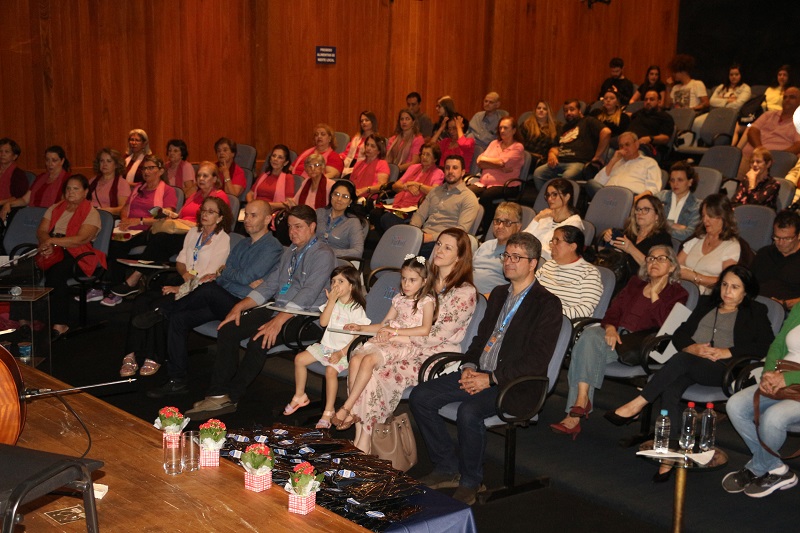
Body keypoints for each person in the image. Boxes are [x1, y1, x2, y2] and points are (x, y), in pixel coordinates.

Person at [411, 232, 560, 505]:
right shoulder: (500, 293)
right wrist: (469, 366)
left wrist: (490, 379)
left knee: (469, 412)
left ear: (533, 263)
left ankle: (471, 481)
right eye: (507, 256)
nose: (509, 262)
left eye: (517, 257)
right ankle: (447, 467)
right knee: (421, 396)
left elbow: (536, 360)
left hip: (512, 383)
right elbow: (480, 338)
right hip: (478, 371)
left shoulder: (547, 304)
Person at [607, 265, 774, 482]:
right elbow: (680, 335)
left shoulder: (756, 311)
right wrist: (692, 347)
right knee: (672, 385)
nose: (727, 291)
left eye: (735, 287)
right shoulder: (706, 304)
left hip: (725, 369)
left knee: (681, 361)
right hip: (693, 364)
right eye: (724, 285)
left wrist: (727, 352)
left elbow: (766, 345)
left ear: (746, 291)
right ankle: (669, 453)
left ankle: (639, 402)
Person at [184, 205, 337, 418]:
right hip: (278, 309)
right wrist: (241, 305)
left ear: (312, 227)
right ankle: (218, 395)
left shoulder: (323, 254)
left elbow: (309, 293)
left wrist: (279, 321)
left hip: (307, 318)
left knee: (260, 338)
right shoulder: (290, 252)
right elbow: (271, 284)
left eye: (299, 227)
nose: (293, 232)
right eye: (290, 227)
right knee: (229, 328)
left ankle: (233, 396)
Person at [347, 229, 477, 455]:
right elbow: (401, 315)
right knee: (359, 357)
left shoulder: (464, 292)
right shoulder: (425, 279)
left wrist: (394, 335)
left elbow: (434, 336)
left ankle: (365, 443)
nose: (439, 250)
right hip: (404, 345)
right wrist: (388, 333)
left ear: (460, 257)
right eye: (438, 244)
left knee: (376, 371)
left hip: (433, 355)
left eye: (448, 247)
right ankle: (361, 436)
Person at [135, 200, 282, 388]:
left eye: (254, 215)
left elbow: (242, 275)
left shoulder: (272, 246)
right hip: (223, 297)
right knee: (179, 319)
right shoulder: (243, 243)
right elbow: (227, 273)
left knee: (208, 289)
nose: (247, 220)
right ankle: (177, 378)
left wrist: (225, 272)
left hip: (242, 305)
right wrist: (226, 273)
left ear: (268, 219)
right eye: (247, 215)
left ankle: (162, 310)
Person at [551, 245, 688, 439]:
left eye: (661, 259)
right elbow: (613, 311)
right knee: (588, 337)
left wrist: (656, 293)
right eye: (650, 258)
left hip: (642, 344)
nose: (654, 262)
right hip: (615, 336)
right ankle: (581, 402)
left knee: (584, 348)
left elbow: (666, 325)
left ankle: (575, 413)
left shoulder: (678, 294)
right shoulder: (635, 283)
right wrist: (610, 328)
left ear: (673, 266)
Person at [123, 196, 232, 380]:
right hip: (184, 279)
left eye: (211, 212)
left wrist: (180, 287)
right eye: (203, 210)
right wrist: (183, 276)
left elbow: (209, 275)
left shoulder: (223, 240)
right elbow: (181, 261)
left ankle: (154, 356)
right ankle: (131, 353)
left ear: (220, 218)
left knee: (160, 304)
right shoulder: (193, 233)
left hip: (199, 289)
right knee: (142, 299)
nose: (205, 214)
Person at [333, 254, 437, 445]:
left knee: (368, 360)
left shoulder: (426, 301)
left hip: (407, 343)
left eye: (412, 280)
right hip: (389, 339)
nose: (406, 284)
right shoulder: (399, 299)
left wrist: (394, 331)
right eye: (404, 279)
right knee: (356, 358)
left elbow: (425, 329)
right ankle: (354, 412)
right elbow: (383, 324)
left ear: (424, 281)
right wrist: (361, 328)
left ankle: (348, 407)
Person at [107, 161, 229, 304]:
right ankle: (111, 284)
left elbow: (217, 224)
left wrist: (187, 224)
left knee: (161, 239)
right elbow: (180, 215)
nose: (201, 179)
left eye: (205, 176)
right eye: (199, 175)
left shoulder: (218, 197)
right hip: (180, 230)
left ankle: (135, 277)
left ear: (214, 179)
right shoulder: (195, 195)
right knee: (123, 240)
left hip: (196, 234)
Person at [723, 303, 800, 498]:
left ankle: (758, 466)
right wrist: (768, 373)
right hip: (782, 376)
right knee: (735, 405)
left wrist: (787, 379)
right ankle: (776, 468)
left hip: (789, 380)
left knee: (773, 417)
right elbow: (779, 343)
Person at [285, 265, 370, 429]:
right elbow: (323, 322)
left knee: (331, 371)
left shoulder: (356, 308)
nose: (335, 285)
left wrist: (341, 353)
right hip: (326, 346)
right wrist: (331, 301)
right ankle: (300, 395)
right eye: (333, 281)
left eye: (340, 281)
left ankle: (328, 411)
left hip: (345, 351)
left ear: (352, 285)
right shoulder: (333, 302)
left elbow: (359, 336)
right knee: (299, 359)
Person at [34, 175, 107, 339]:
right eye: (68, 188)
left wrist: (53, 241)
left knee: (56, 272)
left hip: (77, 253)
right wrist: (46, 244)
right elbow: (41, 231)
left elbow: (81, 239)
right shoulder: (55, 208)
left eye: (76, 189)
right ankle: (25, 320)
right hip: (52, 247)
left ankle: (60, 323)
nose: (71, 192)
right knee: (24, 269)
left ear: (85, 191)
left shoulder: (91, 213)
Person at [102, 156, 178, 305]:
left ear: (160, 171)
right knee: (111, 243)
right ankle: (110, 286)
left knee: (119, 245)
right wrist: (125, 219)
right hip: (129, 228)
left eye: (151, 168)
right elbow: (125, 208)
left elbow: (165, 217)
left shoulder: (167, 191)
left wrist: (139, 221)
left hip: (149, 230)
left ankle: (117, 290)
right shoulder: (138, 188)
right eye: (144, 168)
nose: (146, 171)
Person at [533, 99, 611, 190]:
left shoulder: (588, 121)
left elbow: (606, 132)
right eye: (566, 111)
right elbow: (555, 147)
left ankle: (562, 202)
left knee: (566, 177)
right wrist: (551, 154)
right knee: (538, 173)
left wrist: (598, 155)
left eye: (572, 109)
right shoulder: (563, 128)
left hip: (578, 163)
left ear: (579, 110)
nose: (568, 112)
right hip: (560, 162)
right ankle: (547, 199)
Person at [410, 155, 479, 256]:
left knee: (409, 254)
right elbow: (419, 215)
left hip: (444, 243)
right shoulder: (435, 191)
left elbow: (460, 231)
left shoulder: (468, 198)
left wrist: (431, 237)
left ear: (463, 172)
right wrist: (412, 231)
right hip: (422, 236)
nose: (450, 171)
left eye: (455, 168)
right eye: (447, 168)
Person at [679, 194, 741, 295]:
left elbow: (727, 281)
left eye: (710, 216)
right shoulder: (697, 239)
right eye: (703, 215)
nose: (705, 220)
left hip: (707, 297)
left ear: (724, 217)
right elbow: (675, 266)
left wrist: (695, 277)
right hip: (683, 291)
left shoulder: (731, 246)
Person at [472, 116, 526, 232]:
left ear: (514, 130)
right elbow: (479, 161)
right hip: (483, 183)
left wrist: (489, 162)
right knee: (468, 193)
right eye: (500, 128)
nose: (502, 131)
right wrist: (497, 165)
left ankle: (486, 229)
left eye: (505, 128)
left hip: (507, 185)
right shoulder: (494, 143)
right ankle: (473, 226)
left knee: (486, 196)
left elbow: (502, 162)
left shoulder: (518, 147)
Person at [536, 226, 603, 318]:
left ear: (572, 247)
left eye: (557, 241)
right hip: (537, 316)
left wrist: (551, 314)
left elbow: (585, 309)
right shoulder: (548, 265)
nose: (552, 245)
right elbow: (530, 290)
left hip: (561, 322)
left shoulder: (590, 273)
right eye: (552, 241)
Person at [601, 195, 673, 275]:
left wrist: (631, 249)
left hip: (639, 282)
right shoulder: (629, 233)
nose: (640, 213)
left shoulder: (663, 238)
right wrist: (608, 238)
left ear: (657, 215)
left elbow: (658, 269)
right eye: (638, 209)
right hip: (616, 274)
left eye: (646, 209)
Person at [738, 87, 800, 176]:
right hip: (750, 155)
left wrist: (773, 156)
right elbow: (752, 130)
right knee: (729, 179)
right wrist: (760, 149)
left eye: (792, 97)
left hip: (775, 162)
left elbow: (798, 146)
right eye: (785, 97)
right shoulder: (769, 114)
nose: (787, 100)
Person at [586, 132, 661, 200]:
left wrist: (637, 199)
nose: (624, 148)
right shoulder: (615, 162)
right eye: (621, 146)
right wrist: (612, 161)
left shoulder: (649, 162)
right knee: (591, 183)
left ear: (637, 144)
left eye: (627, 144)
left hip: (631, 197)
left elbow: (653, 188)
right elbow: (598, 182)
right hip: (608, 196)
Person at [523, 177, 584, 260]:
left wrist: (530, 251)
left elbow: (557, 252)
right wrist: (537, 218)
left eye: (554, 194)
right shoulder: (544, 216)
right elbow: (523, 239)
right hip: (531, 258)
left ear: (567, 197)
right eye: (548, 195)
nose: (549, 199)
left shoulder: (574, 223)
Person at [751, 210, 800, 309]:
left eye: (787, 239)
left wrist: (784, 304)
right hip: (753, 305)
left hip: (785, 311)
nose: (781, 243)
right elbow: (748, 282)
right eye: (776, 237)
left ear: (798, 235)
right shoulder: (764, 253)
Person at [473, 202, 522, 294]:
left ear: (518, 226)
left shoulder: (518, 253)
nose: (500, 226)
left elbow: (515, 288)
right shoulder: (485, 245)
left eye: (507, 222)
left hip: (490, 300)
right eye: (497, 221)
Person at [653, 161, 702, 243]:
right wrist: (673, 225)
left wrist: (661, 226)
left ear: (690, 182)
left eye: (680, 180)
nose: (675, 184)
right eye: (672, 180)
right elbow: (647, 222)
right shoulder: (659, 197)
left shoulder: (697, 206)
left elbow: (689, 234)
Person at [315, 180, 365, 258]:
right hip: (312, 257)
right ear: (331, 195)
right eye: (336, 194)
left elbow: (358, 251)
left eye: (345, 197)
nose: (339, 199)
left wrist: (329, 252)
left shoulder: (352, 222)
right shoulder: (319, 213)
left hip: (335, 261)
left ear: (350, 202)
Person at [627, 89, 675, 162]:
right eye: (646, 100)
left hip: (648, 147)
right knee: (610, 149)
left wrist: (650, 138)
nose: (648, 102)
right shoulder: (639, 113)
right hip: (628, 143)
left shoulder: (665, 117)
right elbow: (630, 116)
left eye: (651, 99)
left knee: (636, 155)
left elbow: (665, 138)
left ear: (659, 101)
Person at [247, 144, 295, 210]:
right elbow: (250, 193)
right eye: (274, 156)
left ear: (286, 163)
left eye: (280, 157)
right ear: (270, 159)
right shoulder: (264, 175)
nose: (275, 159)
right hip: (255, 209)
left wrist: (264, 205)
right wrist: (252, 204)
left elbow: (288, 203)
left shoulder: (288, 178)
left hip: (273, 211)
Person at [87, 148, 131, 217]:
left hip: (107, 218)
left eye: (109, 161)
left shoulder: (122, 184)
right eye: (102, 161)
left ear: (116, 165)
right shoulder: (92, 181)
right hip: (89, 215)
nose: (104, 164)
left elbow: (123, 208)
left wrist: (103, 210)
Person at [519, 101, 560, 168]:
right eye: (539, 108)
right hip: (525, 156)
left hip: (543, 160)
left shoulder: (556, 127)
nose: (541, 110)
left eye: (544, 109)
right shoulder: (526, 125)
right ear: (535, 110)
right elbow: (519, 142)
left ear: (548, 112)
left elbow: (556, 145)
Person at [340, 111, 378, 176]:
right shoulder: (357, 137)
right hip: (349, 163)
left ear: (372, 122)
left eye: (366, 120)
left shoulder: (376, 139)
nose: (364, 123)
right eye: (362, 121)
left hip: (363, 166)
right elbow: (347, 153)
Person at [0, 137, 29, 221]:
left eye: (7, 152)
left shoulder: (18, 175)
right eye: (0, 151)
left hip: (7, 208)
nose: (2, 154)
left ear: (14, 156)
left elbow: (18, 197)